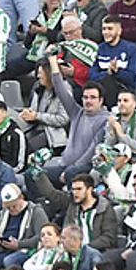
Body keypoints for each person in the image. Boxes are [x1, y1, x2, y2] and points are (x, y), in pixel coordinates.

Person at [46, 56, 110, 184]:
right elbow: (60, 89)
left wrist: (74, 166)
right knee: (34, 175)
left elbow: (92, 151)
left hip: (85, 168)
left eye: (92, 97)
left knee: (71, 174)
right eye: (85, 97)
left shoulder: (106, 120)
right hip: (65, 165)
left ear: (101, 100)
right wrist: (53, 62)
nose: (88, 101)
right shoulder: (77, 112)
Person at [91, 15, 136, 108]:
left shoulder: (131, 49)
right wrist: (107, 73)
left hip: (122, 91)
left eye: (110, 29)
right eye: (104, 29)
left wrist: (117, 71)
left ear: (119, 31)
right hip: (101, 89)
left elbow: (132, 79)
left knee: (109, 81)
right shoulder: (98, 49)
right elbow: (92, 76)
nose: (106, 32)